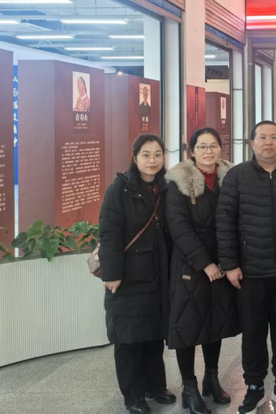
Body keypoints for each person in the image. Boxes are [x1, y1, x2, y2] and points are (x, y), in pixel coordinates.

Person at [217, 121, 276, 414]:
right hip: (250, 272)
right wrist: (230, 264)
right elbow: (224, 223)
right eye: (262, 137)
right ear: (251, 142)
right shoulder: (237, 176)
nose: (268, 142)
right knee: (253, 333)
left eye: (274, 137)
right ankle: (254, 386)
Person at [164, 128, 239, 414]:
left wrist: (228, 261)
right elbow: (179, 228)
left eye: (213, 146)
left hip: (221, 263)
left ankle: (211, 378)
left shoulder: (229, 179)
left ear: (221, 149)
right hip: (190, 266)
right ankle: (189, 387)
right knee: (187, 326)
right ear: (192, 151)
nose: (209, 151)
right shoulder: (178, 183)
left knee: (214, 323)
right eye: (202, 146)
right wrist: (204, 263)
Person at [99, 134, 173, 414]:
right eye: (146, 154)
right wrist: (112, 273)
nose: (152, 160)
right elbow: (109, 234)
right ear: (134, 157)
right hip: (128, 277)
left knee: (153, 335)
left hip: (158, 273)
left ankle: (155, 386)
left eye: (157, 154)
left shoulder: (165, 188)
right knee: (129, 338)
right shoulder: (120, 190)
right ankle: (133, 395)